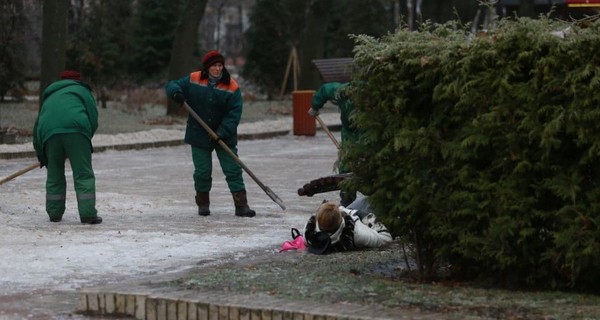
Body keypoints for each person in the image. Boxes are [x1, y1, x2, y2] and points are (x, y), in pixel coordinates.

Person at [165, 50, 256, 218]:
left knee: (233, 169)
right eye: (214, 66)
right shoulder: (194, 79)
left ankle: (241, 205)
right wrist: (176, 93)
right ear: (207, 67)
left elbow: (234, 114)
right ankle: (203, 203)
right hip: (199, 134)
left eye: (220, 65)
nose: (217, 69)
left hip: (224, 136)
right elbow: (172, 84)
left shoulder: (231, 86)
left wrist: (221, 132)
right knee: (202, 171)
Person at [32, 70, 101, 224]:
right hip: (77, 131)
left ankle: (54, 214)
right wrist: (83, 138)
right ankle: (88, 214)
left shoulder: (50, 95)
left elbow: (37, 126)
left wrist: (41, 153)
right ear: (78, 80)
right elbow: (93, 117)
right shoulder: (82, 91)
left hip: (49, 135)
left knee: (54, 174)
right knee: (83, 174)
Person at [308, 82, 359, 206]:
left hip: (370, 130)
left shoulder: (375, 96)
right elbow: (324, 91)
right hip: (349, 131)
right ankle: (347, 199)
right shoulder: (341, 92)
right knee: (346, 165)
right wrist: (315, 107)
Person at [304, 198, 392, 254]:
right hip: (364, 221)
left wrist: (343, 211)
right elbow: (386, 238)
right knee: (368, 200)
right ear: (341, 218)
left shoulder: (309, 232)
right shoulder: (356, 234)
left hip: (349, 213)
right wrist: (364, 217)